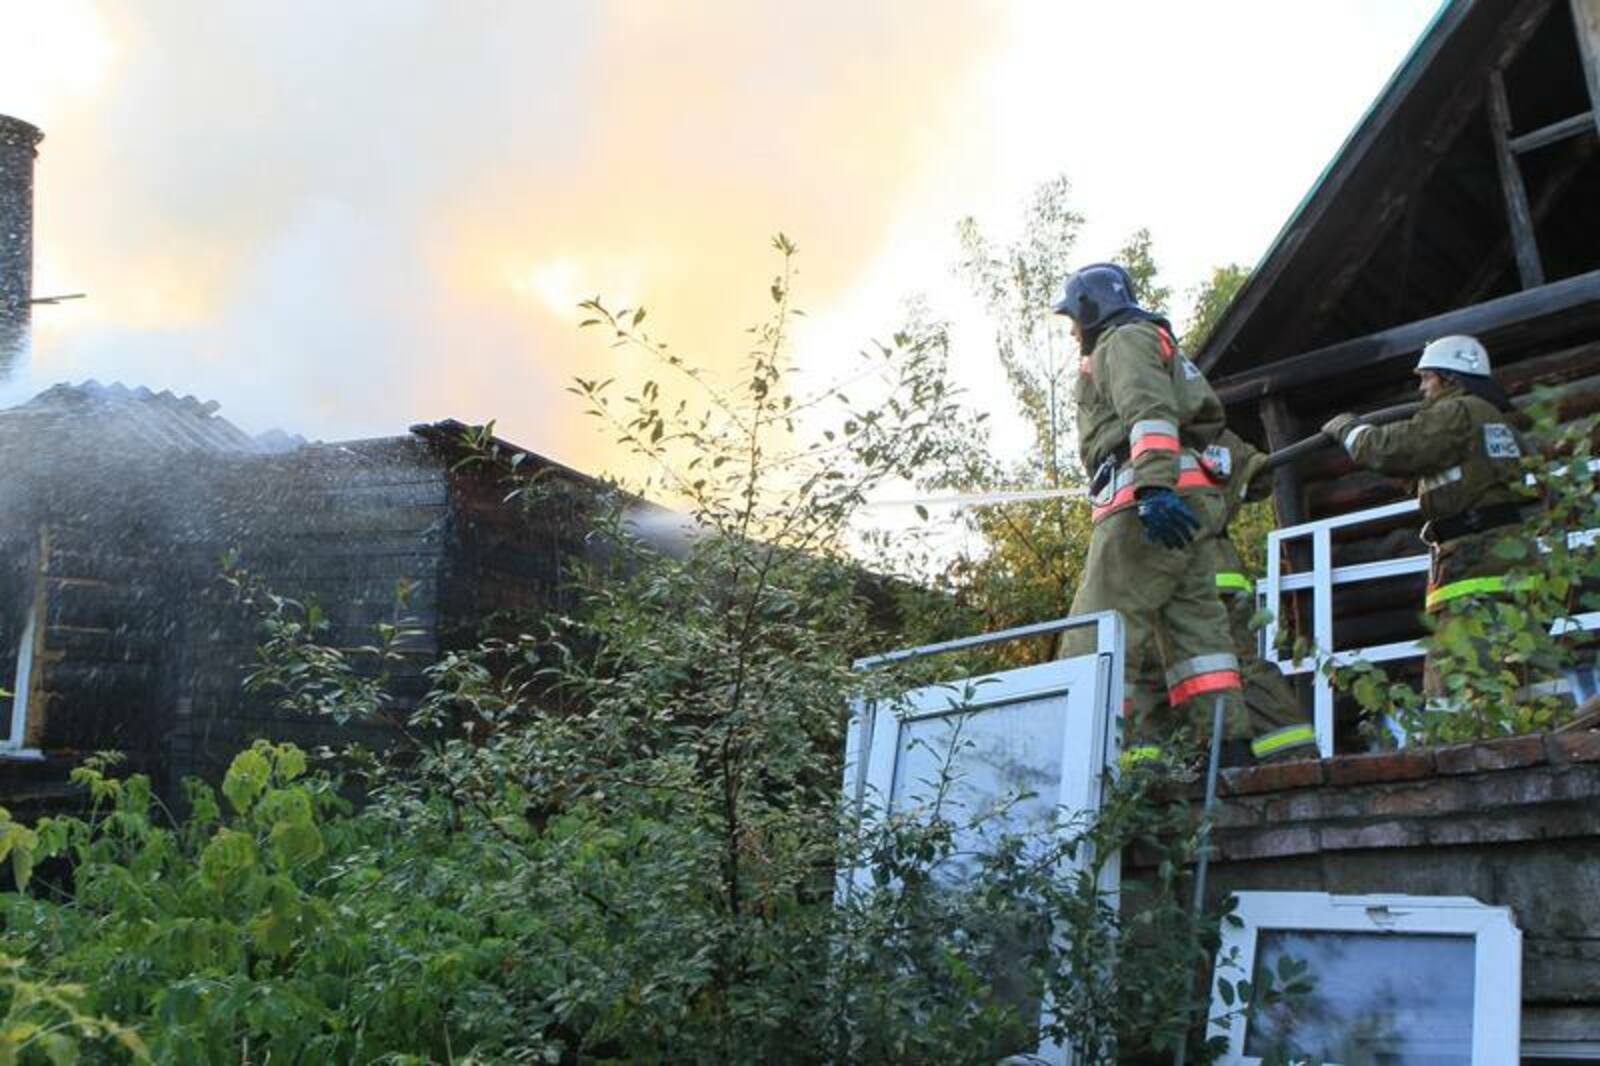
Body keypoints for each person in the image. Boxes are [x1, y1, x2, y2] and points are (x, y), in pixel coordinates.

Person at [1053, 262, 1241, 763]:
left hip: (1144, 499)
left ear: (1090, 309)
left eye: (1073, 318)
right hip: (1189, 499)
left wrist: (1153, 487)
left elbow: (1148, 412)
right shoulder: (1153, 339)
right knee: (1198, 633)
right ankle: (1229, 749)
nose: (1072, 332)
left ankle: (1084, 757)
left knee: (1099, 631)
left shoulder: (1123, 341)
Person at [1322, 334, 1532, 701]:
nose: (1422, 389)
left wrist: (1347, 429)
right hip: (1502, 558)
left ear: (1450, 377)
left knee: (1451, 683)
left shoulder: (1456, 412)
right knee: (1512, 671)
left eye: (1426, 378)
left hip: (1473, 563)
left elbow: (1393, 449)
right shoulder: (1495, 421)